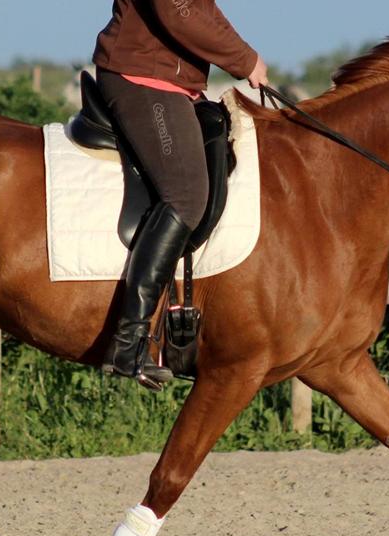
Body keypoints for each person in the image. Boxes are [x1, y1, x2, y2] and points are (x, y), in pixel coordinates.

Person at [93, 0, 268, 390]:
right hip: (142, 78)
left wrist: (247, 57)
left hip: (171, 82)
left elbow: (204, 10)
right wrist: (244, 59)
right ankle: (128, 343)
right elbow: (178, 12)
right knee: (186, 197)